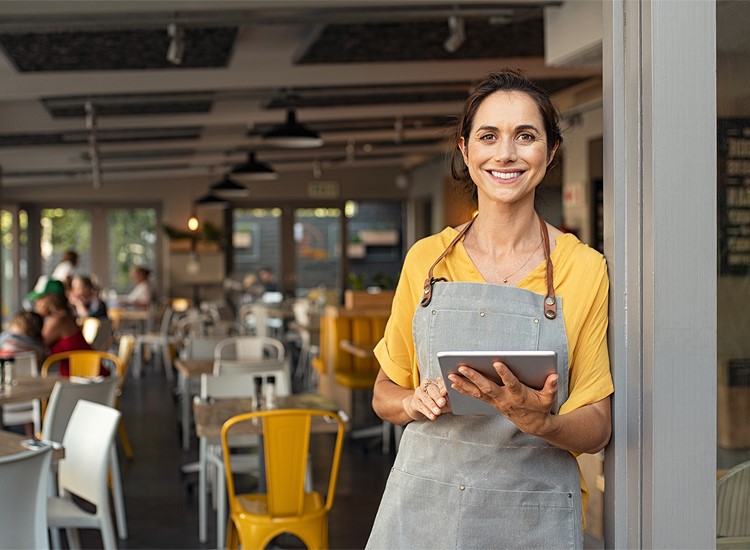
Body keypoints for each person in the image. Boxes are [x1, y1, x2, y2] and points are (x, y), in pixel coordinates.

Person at [366, 70, 613, 549]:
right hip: (425, 509)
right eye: (488, 136)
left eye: (526, 136)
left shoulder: (582, 268)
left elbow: (598, 427)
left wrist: (542, 422)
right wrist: (411, 402)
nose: (505, 154)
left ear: (551, 151)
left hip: (529, 515)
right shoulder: (427, 260)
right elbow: (383, 392)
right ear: (465, 150)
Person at [33, 291, 93, 376]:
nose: (36, 305)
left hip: (84, 376)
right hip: (82, 373)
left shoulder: (58, 320)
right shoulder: (66, 316)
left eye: (39, 301)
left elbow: (37, 343)